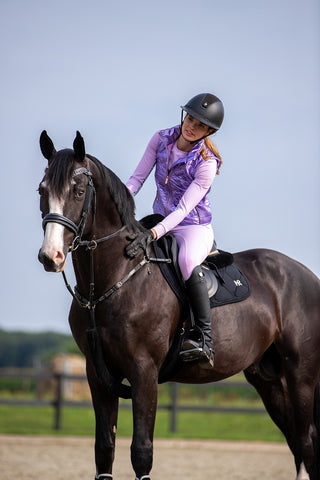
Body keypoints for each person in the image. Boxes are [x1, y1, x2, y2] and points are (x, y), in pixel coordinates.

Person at [125, 92, 224, 369]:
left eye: (200, 125)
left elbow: (182, 210)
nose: (191, 126)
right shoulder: (161, 138)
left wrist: (154, 233)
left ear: (209, 131)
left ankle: (205, 338)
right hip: (160, 218)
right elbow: (136, 179)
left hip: (193, 227)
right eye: (190, 118)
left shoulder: (206, 162)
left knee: (186, 261)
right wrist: (119, 202)